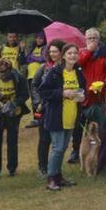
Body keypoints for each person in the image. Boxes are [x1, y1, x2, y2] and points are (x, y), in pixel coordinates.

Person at [37, 43, 85, 191]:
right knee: (58, 148)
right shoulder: (55, 72)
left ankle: (58, 176)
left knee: (63, 147)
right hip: (56, 116)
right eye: (69, 53)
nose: (73, 56)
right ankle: (51, 178)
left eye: (75, 53)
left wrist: (81, 97)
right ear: (63, 55)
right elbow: (43, 91)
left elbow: (82, 89)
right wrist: (62, 93)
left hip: (71, 115)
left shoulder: (78, 72)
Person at [73, 28, 106, 164]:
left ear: (99, 39)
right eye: (89, 38)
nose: (92, 40)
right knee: (78, 127)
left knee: (99, 126)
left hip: (98, 97)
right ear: (85, 40)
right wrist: (89, 51)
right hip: (82, 95)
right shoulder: (81, 52)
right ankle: (76, 151)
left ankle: (100, 152)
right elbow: (79, 64)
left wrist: (104, 83)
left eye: (94, 38)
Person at [0, 57, 28, 180]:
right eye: (1, 74)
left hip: (14, 113)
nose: (3, 76)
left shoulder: (18, 78)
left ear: (11, 71)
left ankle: (12, 168)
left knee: (12, 141)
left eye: (6, 74)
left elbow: (25, 94)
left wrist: (14, 103)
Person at [30, 41, 63, 177]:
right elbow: (34, 85)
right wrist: (37, 101)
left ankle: (56, 169)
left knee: (59, 141)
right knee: (44, 138)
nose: (53, 54)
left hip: (60, 108)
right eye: (51, 51)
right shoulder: (44, 67)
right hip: (44, 107)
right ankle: (42, 167)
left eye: (55, 51)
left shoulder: (66, 68)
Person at [23, 33, 47, 129]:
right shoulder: (32, 48)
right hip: (30, 76)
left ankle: (44, 117)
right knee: (34, 99)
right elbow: (25, 60)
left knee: (41, 97)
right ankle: (37, 118)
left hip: (41, 76)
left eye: (41, 38)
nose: (39, 40)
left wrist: (32, 58)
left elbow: (43, 58)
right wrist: (22, 50)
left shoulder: (45, 48)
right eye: (37, 38)